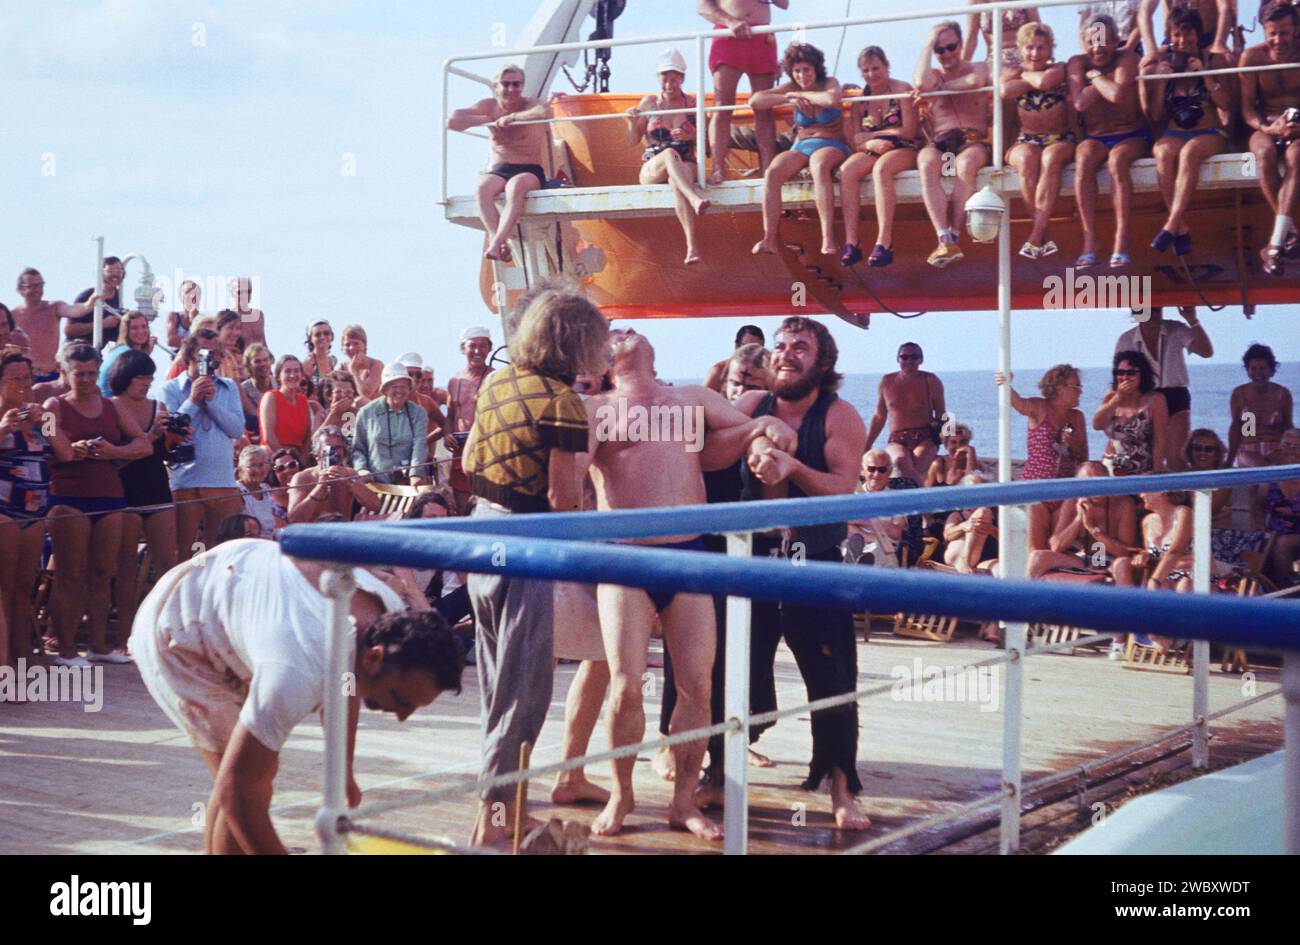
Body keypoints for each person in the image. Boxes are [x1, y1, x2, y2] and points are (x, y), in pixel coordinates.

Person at [579, 326, 795, 840]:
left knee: (697, 686)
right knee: (627, 685)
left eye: (630, 326)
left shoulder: (691, 400)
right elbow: (570, 477)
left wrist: (765, 435)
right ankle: (621, 793)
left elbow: (738, 435)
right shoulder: (597, 409)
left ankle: (683, 802)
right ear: (605, 357)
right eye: (615, 331)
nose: (626, 329)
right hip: (625, 558)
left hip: (689, 554)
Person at [130, 538, 463, 854]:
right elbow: (236, 789)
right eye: (401, 700)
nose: (402, 716)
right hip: (180, 629)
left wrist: (343, 769)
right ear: (374, 657)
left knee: (252, 773)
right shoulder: (297, 668)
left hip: (233, 590)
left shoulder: (385, 613)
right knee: (249, 782)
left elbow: (346, 681)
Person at [461, 285, 609, 847]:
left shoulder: (497, 383)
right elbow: (561, 500)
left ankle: (501, 808)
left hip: (477, 534)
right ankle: (495, 821)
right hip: (524, 545)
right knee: (525, 691)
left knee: (497, 687)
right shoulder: (563, 403)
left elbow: (471, 458)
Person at [717, 315, 872, 832]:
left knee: (831, 679)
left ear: (822, 362)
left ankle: (842, 788)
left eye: (800, 347)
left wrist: (792, 468)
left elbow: (842, 487)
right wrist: (755, 439)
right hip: (752, 560)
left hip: (814, 562)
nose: (786, 354)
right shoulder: (748, 405)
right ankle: (718, 771)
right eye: (780, 347)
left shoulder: (839, 415)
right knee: (732, 672)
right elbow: (704, 446)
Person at [44, 344, 151, 665]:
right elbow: (47, 444)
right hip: (68, 495)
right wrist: (71, 449)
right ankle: (63, 647)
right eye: (79, 374)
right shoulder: (53, 406)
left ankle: (99, 645)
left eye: (92, 373)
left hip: (109, 494)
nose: (87, 380)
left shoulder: (112, 406)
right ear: (65, 373)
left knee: (104, 573)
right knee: (70, 574)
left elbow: (143, 444)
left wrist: (111, 452)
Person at [1140, 8, 1232, 256]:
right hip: (1174, 132)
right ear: (1170, 36)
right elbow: (1157, 116)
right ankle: (1180, 227)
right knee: (1162, 151)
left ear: (1198, 35)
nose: (1183, 41)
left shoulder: (1212, 59)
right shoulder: (1164, 62)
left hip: (1209, 132)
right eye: (1177, 35)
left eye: (1188, 35)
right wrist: (1160, 82)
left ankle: (1171, 223)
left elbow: (1226, 105)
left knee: (1190, 152)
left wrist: (1205, 75)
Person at [750, 43, 849, 258]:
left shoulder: (829, 83)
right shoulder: (791, 88)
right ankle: (769, 238)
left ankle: (827, 237)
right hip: (802, 146)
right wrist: (789, 97)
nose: (802, 75)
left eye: (806, 70)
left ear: (816, 69)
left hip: (831, 144)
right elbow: (756, 101)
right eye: (797, 71)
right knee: (773, 172)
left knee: (819, 166)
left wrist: (805, 96)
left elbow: (831, 99)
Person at [448, 64, 553, 263]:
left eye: (516, 84)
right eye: (506, 84)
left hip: (528, 170)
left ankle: (496, 243)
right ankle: (501, 244)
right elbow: (452, 121)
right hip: (500, 169)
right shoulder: (489, 106)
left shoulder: (530, 104)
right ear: (496, 86)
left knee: (516, 187)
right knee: (482, 189)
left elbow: (545, 111)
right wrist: (485, 119)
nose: (511, 89)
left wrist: (512, 118)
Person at [1069, 14, 1149, 269]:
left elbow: (1116, 94)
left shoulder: (1127, 58)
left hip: (1131, 134)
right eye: (1092, 41)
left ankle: (1121, 239)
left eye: (1104, 40)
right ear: (1084, 42)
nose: (1098, 47)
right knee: (1082, 157)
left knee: (1117, 161)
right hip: (1096, 137)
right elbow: (1080, 103)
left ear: (1116, 41)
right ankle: (1090, 240)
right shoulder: (1076, 63)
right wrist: (1099, 77)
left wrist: (1093, 77)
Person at [108, 349, 178, 638]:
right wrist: (149, 438)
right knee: (125, 568)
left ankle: (164, 632)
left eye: (149, 377)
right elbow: (116, 457)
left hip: (156, 486)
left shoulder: (158, 406)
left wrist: (173, 438)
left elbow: (164, 455)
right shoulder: (112, 406)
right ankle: (127, 632)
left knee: (168, 564)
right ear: (125, 377)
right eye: (140, 377)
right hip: (125, 489)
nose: (146, 382)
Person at [914, 21, 993, 267]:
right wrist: (927, 44)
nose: (946, 54)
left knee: (966, 165)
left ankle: (955, 234)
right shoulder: (933, 75)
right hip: (942, 143)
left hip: (971, 142)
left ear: (960, 44)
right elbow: (920, 83)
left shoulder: (978, 66)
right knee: (926, 163)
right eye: (940, 49)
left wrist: (942, 89)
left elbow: (976, 80)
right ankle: (943, 236)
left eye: (951, 47)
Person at [162, 331, 246, 561]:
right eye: (206, 353)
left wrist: (211, 403)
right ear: (190, 355)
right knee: (186, 555)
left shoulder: (228, 387)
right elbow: (171, 429)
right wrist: (192, 400)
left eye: (216, 353)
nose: (212, 359)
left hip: (223, 482)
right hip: (187, 482)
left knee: (222, 554)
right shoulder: (170, 388)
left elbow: (236, 429)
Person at [627, 49, 712, 265]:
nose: (669, 84)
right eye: (665, 78)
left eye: (674, 79)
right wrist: (630, 121)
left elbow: (709, 146)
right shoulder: (649, 103)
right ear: (658, 78)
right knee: (669, 154)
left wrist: (691, 135)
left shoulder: (693, 105)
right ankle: (694, 199)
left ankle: (692, 248)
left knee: (678, 179)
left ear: (682, 79)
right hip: (654, 165)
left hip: (685, 162)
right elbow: (632, 140)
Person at [838, 46, 921, 268]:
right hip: (873, 148)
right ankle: (852, 242)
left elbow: (908, 130)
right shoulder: (860, 101)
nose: (871, 74)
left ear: (886, 66)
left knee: (881, 170)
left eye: (876, 68)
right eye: (866, 70)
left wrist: (873, 134)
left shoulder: (901, 89)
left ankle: (884, 241)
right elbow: (856, 139)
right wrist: (870, 143)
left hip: (904, 148)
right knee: (847, 171)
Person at [1003, 23, 1076, 258]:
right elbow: (1005, 90)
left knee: (1050, 157)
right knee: (1026, 159)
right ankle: (1043, 234)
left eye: (1041, 48)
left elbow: (1046, 83)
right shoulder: (1009, 72)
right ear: (1020, 49)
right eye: (1030, 48)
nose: (1035, 54)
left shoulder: (1061, 68)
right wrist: (1029, 77)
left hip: (1060, 138)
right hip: (1026, 139)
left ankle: (1035, 237)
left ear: (1051, 48)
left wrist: (1024, 76)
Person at [996, 365, 1089, 550]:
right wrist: (1005, 384)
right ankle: (1037, 569)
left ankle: (1055, 567)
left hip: (1063, 492)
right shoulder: (1040, 407)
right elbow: (1017, 403)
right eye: (1076, 387)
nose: (1080, 392)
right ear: (1060, 388)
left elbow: (1083, 457)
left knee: (1057, 545)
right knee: (1037, 547)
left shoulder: (1077, 417)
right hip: (1036, 489)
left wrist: (1071, 444)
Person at [698, 0, 788, 183]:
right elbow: (703, 7)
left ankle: (768, 171)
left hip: (762, 37)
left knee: (764, 108)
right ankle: (717, 169)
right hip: (728, 35)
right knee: (722, 106)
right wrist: (730, 21)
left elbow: (783, 4)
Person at [1114, 306, 1211, 469]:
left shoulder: (1177, 329)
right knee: (1148, 459)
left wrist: (1193, 321)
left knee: (1177, 459)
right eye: (1148, 311)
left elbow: (1206, 352)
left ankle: (1180, 494)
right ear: (1136, 314)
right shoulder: (1126, 340)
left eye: (1157, 310)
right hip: (1144, 398)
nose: (1153, 316)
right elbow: (1120, 380)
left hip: (1176, 396)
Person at [0, 354, 50, 670]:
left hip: (35, 508)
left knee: (22, 592)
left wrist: (46, 422)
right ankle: (5, 667)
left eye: (26, 377)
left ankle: (21, 659)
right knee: (4, 591)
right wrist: (3, 427)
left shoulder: (37, 416)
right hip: (3, 508)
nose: (22, 385)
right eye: (15, 378)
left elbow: (66, 453)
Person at [1244, 3, 1300, 274]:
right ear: (1264, 31)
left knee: (1296, 157)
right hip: (1266, 124)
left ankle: (1276, 244)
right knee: (1263, 154)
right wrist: (1270, 128)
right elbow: (1247, 110)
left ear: (1296, 30)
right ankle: (1291, 233)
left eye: (1285, 33)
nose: (1278, 40)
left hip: (1298, 126)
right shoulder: (1252, 57)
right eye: (1272, 34)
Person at [1028, 461, 1139, 589]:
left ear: (1108, 480)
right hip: (1081, 559)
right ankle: (1028, 605)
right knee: (1037, 558)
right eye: (1088, 483)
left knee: (1122, 564)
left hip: (1108, 560)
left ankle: (1129, 607)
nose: (1094, 487)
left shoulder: (1123, 504)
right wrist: (1079, 518)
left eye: (1098, 481)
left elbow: (1125, 552)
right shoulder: (1073, 501)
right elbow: (1055, 546)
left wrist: (1093, 528)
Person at [866, 342, 947, 483]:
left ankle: (918, 497)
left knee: (917, 464)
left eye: (914, 357)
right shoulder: (886, 381)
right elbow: (879, 416)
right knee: (899, 462)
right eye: (904, 357)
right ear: (898, 359)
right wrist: (866, 445)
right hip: (897, 439)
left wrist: (948, 440)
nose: (909, 361)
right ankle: (925, 497)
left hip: (925, 437)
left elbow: (942, 413)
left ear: (921, 360)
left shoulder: (930, 380)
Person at [11, 267, 100, 383]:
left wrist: (89, 304)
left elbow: (74, 310)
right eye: (32, 286)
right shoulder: (12, 316)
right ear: (20, 289)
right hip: (27, 377)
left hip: (52, 375)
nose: (37, 289)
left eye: (40, 285)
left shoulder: (54, 307)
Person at [351, 363, 432, 487]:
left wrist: (415, 473)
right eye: (394, 386)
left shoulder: (418, 413)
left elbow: (419, 446)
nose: (399, 391)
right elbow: (358, 449)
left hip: (408, 483)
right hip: (374, 483)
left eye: (403, 386)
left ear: (409, 389)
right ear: (385, 389)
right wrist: (362, 469)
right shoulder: (366, 413)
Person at [1094, 349, 1170, 474]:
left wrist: (1157, 473)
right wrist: (1118, 397)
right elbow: (1097, 425)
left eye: (1130, 373)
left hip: (1142, 468)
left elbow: (1160, 440)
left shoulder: (1155, 400)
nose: (1125, 377)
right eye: (1120, 372)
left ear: (1142, 374)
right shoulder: (1112, 396)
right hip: (1112, 466)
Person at [288, 425, 383, 523]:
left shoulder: (349, 474)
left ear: (344, 453)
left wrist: (350, 483)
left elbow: (375, 506)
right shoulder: (303, 478)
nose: (334, 454)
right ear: (317, 455)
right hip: (313, 533)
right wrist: (319, 488)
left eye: (338, 448)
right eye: (328, 449)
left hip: (341, 532)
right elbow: (293, 519)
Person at [445, 327, 495, 513]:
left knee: (487, 507)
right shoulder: (454, 381)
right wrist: (447, 434)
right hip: (460, 452)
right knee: (462, 508)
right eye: (472, 346)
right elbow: (450, 416)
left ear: (489, 349)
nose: (477, 351)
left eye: (482, 346)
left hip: (487, 453)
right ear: (463, 349)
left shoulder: (495, 378)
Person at [1229, 343, 1294, 468]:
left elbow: (1288, 427)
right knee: (1258, 465)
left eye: (1262, 368)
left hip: (1276, 450)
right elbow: (1236, 428)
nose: (1258, 373)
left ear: (1271, 370)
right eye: (1253, 368)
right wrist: (1229, 461)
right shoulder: (1239, 394)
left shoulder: (1282, 394)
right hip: (1248, 450)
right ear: (1247, 370)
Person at [1138, 0, 1235, 63]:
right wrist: (1152, 50)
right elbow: (1144, 12)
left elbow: (1225, 7)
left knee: (1223, 62)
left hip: (1209, 41)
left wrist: (1219, 44)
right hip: (1173, 41)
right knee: (1149, 67)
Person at [942, 472, 1001, 575]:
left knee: (1000, 570)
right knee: (982, 513)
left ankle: (965, 568)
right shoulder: (957, 515)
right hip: (957, 556)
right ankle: (965, 561)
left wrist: (991, 530)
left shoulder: (997, 515)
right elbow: (947, 535)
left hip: (985, 561)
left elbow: (1008, 540)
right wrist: (963, 526)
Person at [259, 355, 313, 461]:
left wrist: (302, 460)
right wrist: (287, 459)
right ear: (279, 376)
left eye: (296, 371)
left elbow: (307, 438)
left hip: (297, 458)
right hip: (274, 456)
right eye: (287, 371)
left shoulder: (303, 401)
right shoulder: (271, 397)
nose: (292, 375)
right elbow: (269, 437)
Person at [1264, 428, 1300, 586]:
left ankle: (1287, 593)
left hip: (1294, 536)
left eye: (1297, 447)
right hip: (1275, 534)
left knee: (1283, 544)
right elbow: (1256, 507)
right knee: (1263, 545)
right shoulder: (1270, 476)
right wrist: (1258, 527)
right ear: (1280, 447)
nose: (1291, 451)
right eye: (1287, 445)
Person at [66, 257, 124, 346]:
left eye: (119, 271)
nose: (115, 274)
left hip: (95, 353)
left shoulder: (118, 297)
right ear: (101, 273)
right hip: (75, 350)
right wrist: (102, 324)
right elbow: (69, 330)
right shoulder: (87, 296)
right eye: (110, 271)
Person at [98, 311, 158, 396]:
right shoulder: (126, 353)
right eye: (134, 328)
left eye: (144, 327)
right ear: (125, 331)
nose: (140, 331)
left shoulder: (120, 349)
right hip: (110, 402)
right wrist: (146, 354)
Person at [966, 1, 1041, 66]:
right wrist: (960, 69)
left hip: (1025, 56)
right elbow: (971, 38)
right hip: (995, 59)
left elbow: (1039, 30)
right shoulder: (977, 1)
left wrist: (1047, 59)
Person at [236, 446, 284, 536]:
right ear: (241, 468)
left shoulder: (265, 489)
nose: (257, 470)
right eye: (252, 465)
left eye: (261, 465)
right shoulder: (237, 491)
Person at [703, 325, 765, 391]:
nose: (752, 352)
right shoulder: (718, 371)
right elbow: (703, 399)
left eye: (757, 348)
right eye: (747, 347)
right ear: (737, 345)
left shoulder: (767, 374)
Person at [341, 325, 383, 402]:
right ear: (342, 348)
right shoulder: (342, 367)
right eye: (347, 345)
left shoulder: (376, 365)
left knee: (360, 401)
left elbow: (366, 394)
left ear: (364, 345)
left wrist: (354, 371)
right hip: (349, 411)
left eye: (356, 343)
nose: (352, 348)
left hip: (372, 410)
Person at [228, 277, 267, 349]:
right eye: (240, 292)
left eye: (248, 291)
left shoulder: (258, 315)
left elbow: (263, 343)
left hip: (259, 358)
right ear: (232, 293)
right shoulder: (228, 319)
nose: (245, 295)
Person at [166, 279, 201, 350]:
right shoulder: (174, 316)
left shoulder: (204, 320)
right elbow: (171, 340)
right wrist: (199, 342)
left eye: (195, 293)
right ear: (180, 297)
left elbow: (211, 343)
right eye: (188, 292)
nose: (192, 296)